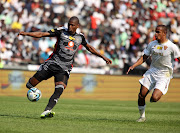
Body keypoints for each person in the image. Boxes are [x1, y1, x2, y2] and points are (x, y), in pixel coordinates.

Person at [18, 16, 112, 118]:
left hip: (64, 68)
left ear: (77, 26)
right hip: (52, 64)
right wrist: (26, 34)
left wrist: (103, 56)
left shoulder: (80, 37)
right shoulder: (61, 31)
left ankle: (47, 110)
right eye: (69, 24)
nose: (70, 27)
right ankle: (35, 93)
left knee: (59, 89)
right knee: (30, 85)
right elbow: (42, 34)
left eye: (72, 25)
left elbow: (89, 47)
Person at [126, 25, 180, 122]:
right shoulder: (152, 44)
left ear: (164, 33)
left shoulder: (172, 47)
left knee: (155, 98)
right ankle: (142, 117)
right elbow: (144, 57)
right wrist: (133, 65)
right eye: (155, 31)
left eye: (158, 32)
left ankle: (153, 96)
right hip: (152, 71)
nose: (156, 34)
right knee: (141, 95)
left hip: (164, 74)